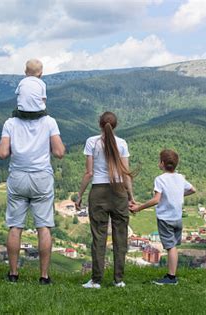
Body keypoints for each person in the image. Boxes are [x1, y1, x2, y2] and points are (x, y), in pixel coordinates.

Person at [0, 112, 65, 285]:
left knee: (15, 226)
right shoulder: (50, 122)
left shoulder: (10, 123)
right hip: (41, 178)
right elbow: (59, 152)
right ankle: (44, 276)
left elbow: (2, 153)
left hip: (18, 177)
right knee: (43, 227)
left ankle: (13, 274)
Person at [75, 111, 135, 289]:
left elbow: (89, 173)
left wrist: (79, 195)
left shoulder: (91, 142)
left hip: (98, 192)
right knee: (120, 236)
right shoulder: (122, 143)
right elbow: (126, 174)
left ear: (99, 124)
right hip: (119, 192)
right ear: (116, 125)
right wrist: (131, 196)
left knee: (99, 236)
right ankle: (119, 280)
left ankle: (96, 280)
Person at [130, 149, 195, 285]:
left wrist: (139, 208)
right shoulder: (180, 177)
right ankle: (171, 274)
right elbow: (192, 190)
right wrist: (177, 195)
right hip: (177, 218)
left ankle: (171, 278)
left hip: (166, 218)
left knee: (170, 247)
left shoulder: (160, 179)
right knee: (173, 247)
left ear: (162, 163)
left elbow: (156, 200)